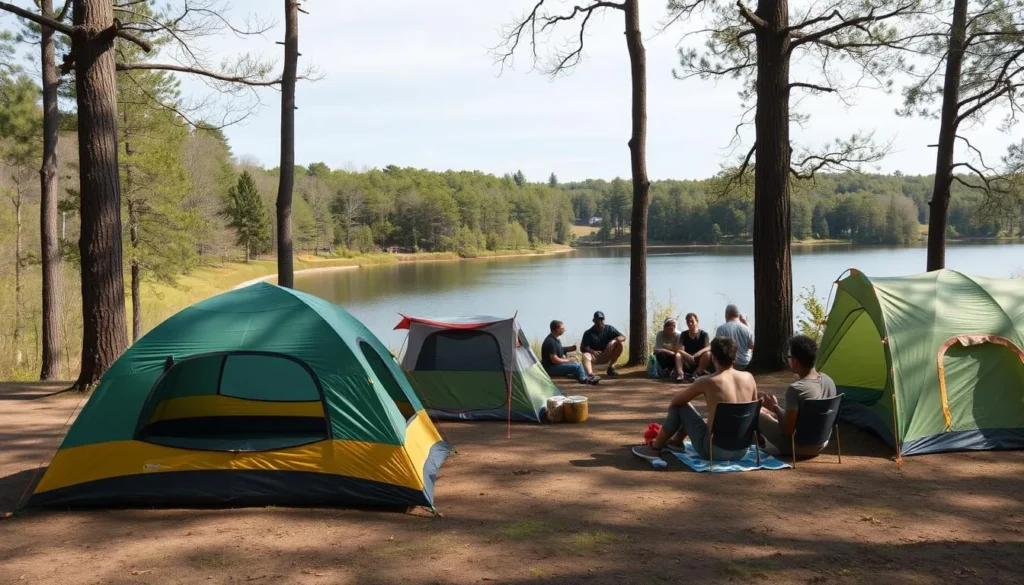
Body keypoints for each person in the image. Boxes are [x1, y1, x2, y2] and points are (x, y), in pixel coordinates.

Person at [632, 337, 758, 462]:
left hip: (714, 451)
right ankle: (676, 442)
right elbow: (754, 410)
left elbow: (676, 401)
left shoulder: (707, 381)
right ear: (735, 356)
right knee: (689, 409)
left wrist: (674, 413)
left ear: (713, 357)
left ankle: (655, 448)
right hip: (742, 451)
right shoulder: (749, 377)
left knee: (681, 406)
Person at [758, 335, 837, 457]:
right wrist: (775, 411)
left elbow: (788, 430)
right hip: (821, 443)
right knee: (766, 412)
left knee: (757, 412)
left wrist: (774, 407)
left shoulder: (796, 389)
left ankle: (752, 448)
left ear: (795, 361)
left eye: (788, 357)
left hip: (797, 447)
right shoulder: (829, 380)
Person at [541, 320, 600, 385]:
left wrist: (571, 348)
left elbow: (559, 349)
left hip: (555, 365)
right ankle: (584, 379)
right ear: (557, 330)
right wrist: (568, 360)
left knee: (577, 363)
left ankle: (582, 376)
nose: (564, 330)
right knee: (577, 366)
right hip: (551, 368)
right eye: (562, 329)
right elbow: (554, 360)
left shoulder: (555, 339)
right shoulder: (550, 342)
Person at [581, 311, 625, 377]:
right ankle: (590, 375)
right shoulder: (588, 333)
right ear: (593, 320)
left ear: (604, 320)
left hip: (607, 354)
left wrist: (614, 341)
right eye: (597, 319)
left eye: (602, 319)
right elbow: (583, 348)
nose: (600, 321)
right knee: (585, 355)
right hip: (595, 357)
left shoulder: (610, 328)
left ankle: (610, 368)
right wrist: (593, 352)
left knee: (619, 345)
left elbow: (623, 337)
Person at [714, 304, 755, 370]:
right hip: (745, 364)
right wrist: (746, 322)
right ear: (738, 315)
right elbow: (752, 346)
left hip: (727, 365)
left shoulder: (721, 329)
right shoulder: (747, 329)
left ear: (726, 315)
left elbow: (717, 347)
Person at [680, 312, 711, 379]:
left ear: (697, 321)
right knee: (678, 355)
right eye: (688, 321)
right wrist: (687, 355)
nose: (690, 323)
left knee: (708, 353)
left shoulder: (704, 334)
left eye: (692, 321)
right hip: (687, 360)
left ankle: (697, 373)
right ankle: (680, 375)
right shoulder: (683, 334)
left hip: (700, 360)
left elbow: (708, 347)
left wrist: (697, 354)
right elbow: (679, 348)